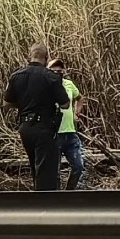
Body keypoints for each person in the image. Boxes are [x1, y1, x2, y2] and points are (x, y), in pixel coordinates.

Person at [3, 43, 70, 191]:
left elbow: (7, 103)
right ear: (47, 58)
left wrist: (23, 104)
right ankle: (46, 206)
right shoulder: (51, 77)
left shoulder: (16, 76)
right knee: (47, 171)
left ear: (30, 56)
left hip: (25, 128)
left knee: (35, 167)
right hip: (44, 127)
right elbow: (65, 104)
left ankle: (37, 201)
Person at [47, 59, 85, 190]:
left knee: (78, 166)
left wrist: (76, 114)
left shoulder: (68, 84)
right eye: (54, 71)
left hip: (70, 132)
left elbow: (80, 98)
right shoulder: (46, 86)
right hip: (55, 133)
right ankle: (57, 198)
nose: (57, 73)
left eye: (60, 71)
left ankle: (70, 192)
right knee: (54, 171)